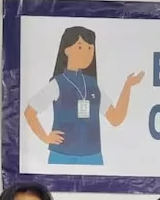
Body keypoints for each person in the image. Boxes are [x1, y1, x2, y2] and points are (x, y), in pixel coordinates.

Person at [22, 25, 144, 166]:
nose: (87, 53)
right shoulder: (57, 84)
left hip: (93, 157)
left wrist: (128, 86)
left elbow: (116, 118)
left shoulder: (93, 85)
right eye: (80, 47)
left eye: (90, 48)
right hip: (61, 156)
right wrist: (45, 137)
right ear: (67, 50)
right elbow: (29, 112)